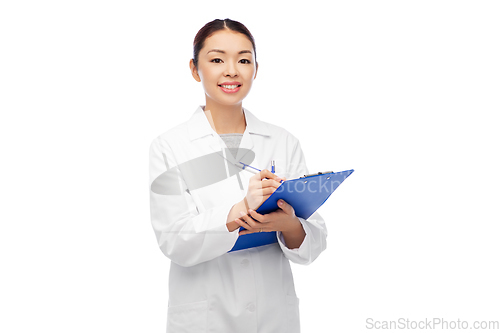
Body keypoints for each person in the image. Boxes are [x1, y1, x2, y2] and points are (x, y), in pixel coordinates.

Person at [149, 18, 327, 333]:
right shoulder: (169, 146)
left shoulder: (282, 141)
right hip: (205, 317)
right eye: (217, 59)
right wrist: (238, 211)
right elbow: (173, 240)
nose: (232, 70)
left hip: (274, 316)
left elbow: (314, 242)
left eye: (244, 60)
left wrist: (289, 225)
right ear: (194, 69)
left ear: (256, 69)